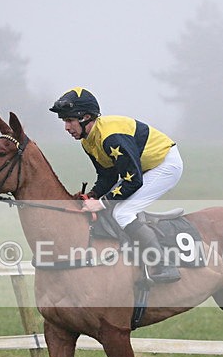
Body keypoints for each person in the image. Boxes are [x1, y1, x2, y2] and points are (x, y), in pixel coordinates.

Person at [49, 87, 183, 283]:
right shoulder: (88, 140)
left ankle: (166, 265)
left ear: (86, 117)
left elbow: (133, 179)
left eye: (69, 121)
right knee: (114, 207)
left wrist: (102, 202)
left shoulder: (111, 137)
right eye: (64, 121)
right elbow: (108, 176)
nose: (67, 128)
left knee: (122, 213)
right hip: (144, 168)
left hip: (165, 165)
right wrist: (93, 195)